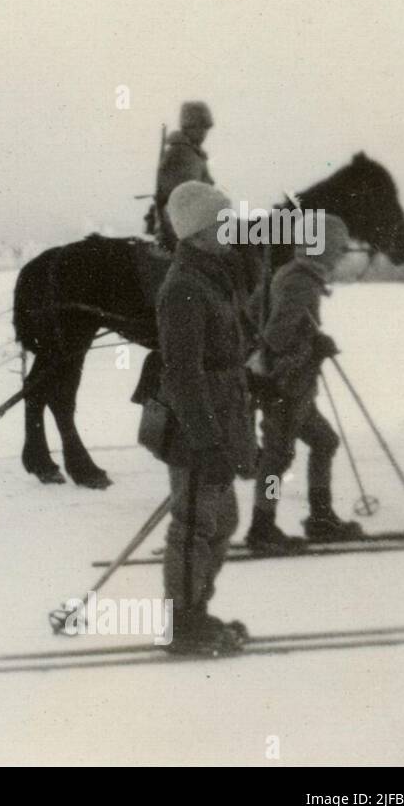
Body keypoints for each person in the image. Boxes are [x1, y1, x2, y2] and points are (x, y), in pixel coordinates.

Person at [156, 181, 256, 654]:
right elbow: (183, 373)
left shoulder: (212, 277)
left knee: (221, 521)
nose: (231, 229)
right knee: (194, 524)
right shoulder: (184, 288)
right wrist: (206, 442)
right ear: (197, 232)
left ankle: (194, 608)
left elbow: (223, 354)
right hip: (197, 429)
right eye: (222, 222)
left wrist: (253, 384)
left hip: (221, 420)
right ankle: (180, 620)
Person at [245, 214, 363, 551]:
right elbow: (278, 336)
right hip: (285, 386)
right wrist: (314, 347)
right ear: (321, 247)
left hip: (293, 385)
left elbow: (255, 311)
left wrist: (311, 338)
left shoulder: (290, 273)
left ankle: (320, 517)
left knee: (324, 441)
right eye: (338, 248)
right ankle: (262, 526)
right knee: (277, 457)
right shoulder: (302, 282)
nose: (340, 255)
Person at [152, 101, 216, 250]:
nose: (204, 133)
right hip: (184, 236)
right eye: (202, 127)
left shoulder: (192, 153)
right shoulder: (182, 154)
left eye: (206, 128)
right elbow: (181, 201)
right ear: (190, 126)